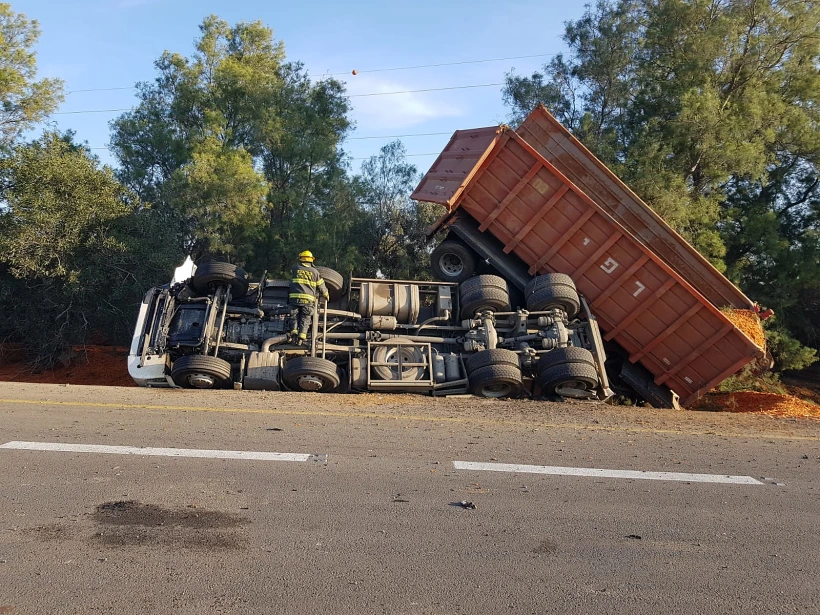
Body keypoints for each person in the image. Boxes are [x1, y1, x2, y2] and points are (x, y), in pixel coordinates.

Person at [288, 250, 329, 345]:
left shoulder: (295, 269)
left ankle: (293, 332)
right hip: (308, 300)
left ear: (301, 259)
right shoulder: (315, 272)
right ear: (311, 260)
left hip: (294, 299)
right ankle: (302, 337)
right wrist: (326, 294)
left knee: (294, 316)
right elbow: (321, 286)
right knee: (305, 318)